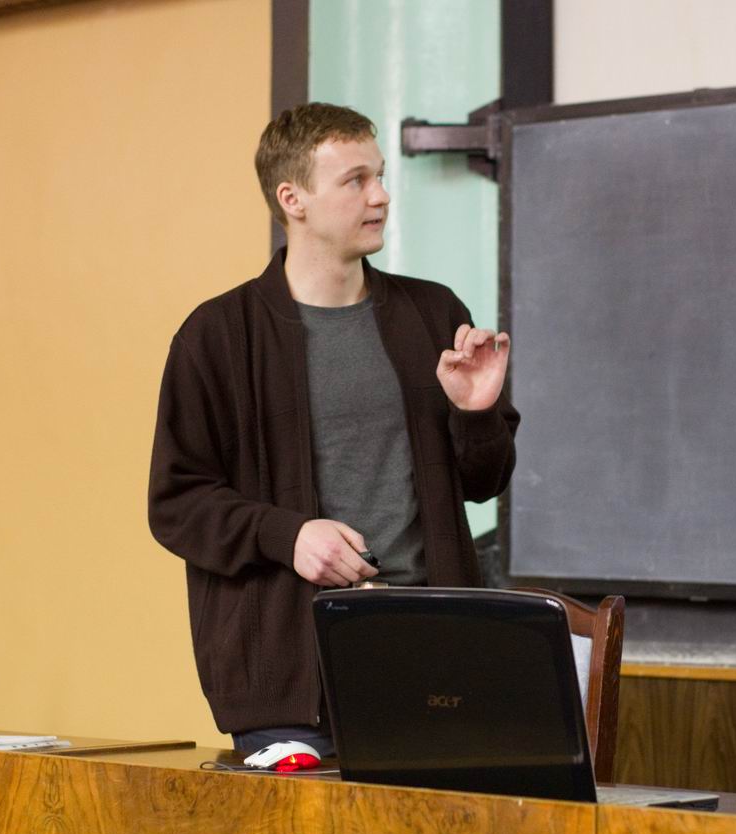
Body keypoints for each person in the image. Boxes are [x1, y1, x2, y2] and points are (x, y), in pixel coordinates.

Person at [147, 102, 519, 756]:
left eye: (380, 176)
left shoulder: (434, 312)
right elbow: (177, 503)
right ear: (292, 199)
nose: (380, 196)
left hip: (435, 660)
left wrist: (477, 411)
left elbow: (484, 482)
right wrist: (288, 535)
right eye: (355, 180)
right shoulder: (217, 336)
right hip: (289, 681)